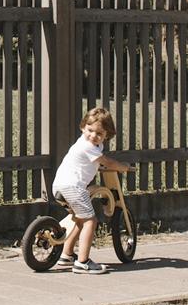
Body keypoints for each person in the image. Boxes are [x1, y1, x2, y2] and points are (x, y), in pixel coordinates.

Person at [52, 106, 133, 275]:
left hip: (60, 185)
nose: (93, 136)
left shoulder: (89, 145)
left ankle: (66, 254)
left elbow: (94, 161)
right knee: (91, 221)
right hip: (73, 187)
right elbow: (108, 163)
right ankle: (83, 262)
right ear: (83, 127)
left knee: (80, 219)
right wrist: (123, 167)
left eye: (99, 134)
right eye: (90, 130)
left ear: (106, 136)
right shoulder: (87, 146)